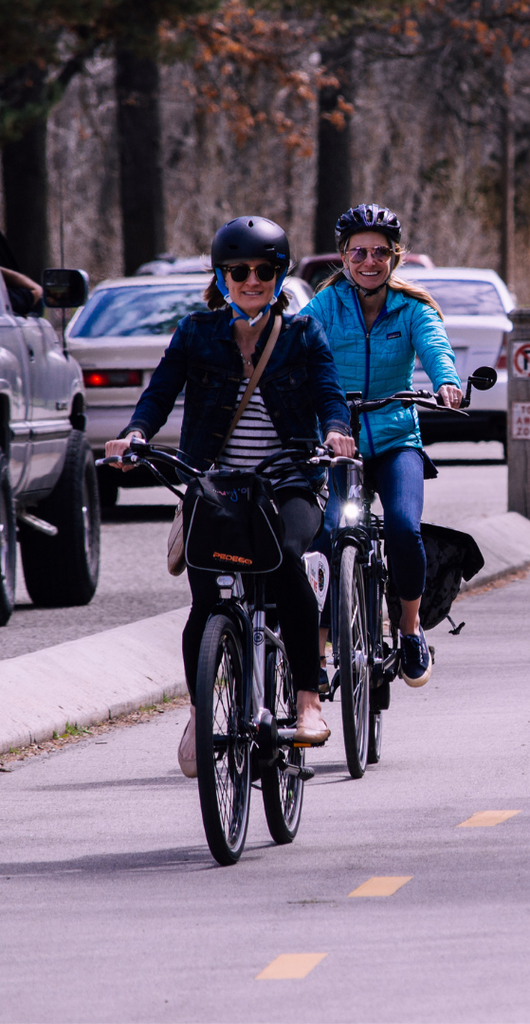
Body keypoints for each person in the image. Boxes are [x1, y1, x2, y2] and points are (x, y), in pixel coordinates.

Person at [104, 216, 355, 776]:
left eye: (264, 272)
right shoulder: (197, 333)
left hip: (288, 479)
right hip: (214, 486)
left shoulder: (302, 335)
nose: (251, 281)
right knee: (208, 603)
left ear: (279, 275)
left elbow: (328, 394)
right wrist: (137, 436)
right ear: (220, 277)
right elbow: (159, 393)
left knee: (287, 560)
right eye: (238, 271)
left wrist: (336, 430)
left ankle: (308, 702)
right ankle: (201, 709)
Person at [301, 203, 463, 688]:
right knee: (328, 535)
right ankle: (320, 648)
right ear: (343, 256)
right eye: (358, 253)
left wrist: (447, 383)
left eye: (379, 252)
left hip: (396, 440)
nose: (368, 262)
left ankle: (409, 631)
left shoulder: (413, 308)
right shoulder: (325, 306)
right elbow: (298, 348)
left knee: (402, 530)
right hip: (338, 443)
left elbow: (436, 348)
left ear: (395, 256)